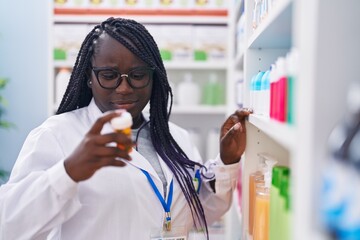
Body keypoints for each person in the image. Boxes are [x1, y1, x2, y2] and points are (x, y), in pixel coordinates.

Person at [0, 17, 251, 240]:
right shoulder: (57, 135)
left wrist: (227, 161)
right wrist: (68, 172)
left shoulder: (176, 138)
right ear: (89, 76)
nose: (124, 88)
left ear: (154, 78)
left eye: (138, 75)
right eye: (109, 75)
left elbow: (201, 211)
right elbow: (9, 226)